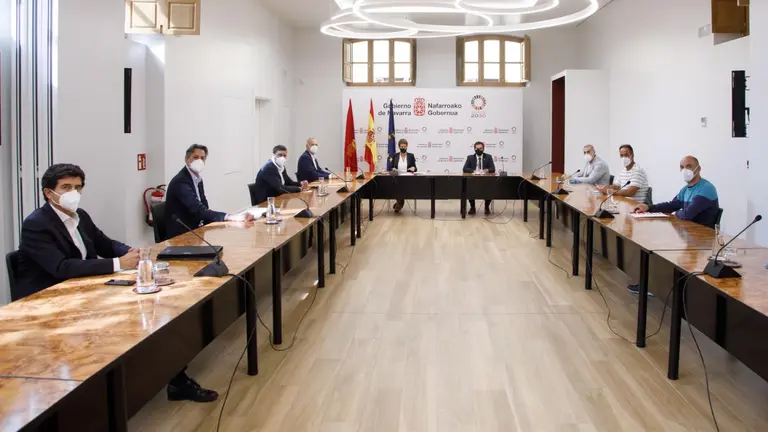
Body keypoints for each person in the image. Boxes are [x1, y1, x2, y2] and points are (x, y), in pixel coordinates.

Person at [15, 163, 139, 300]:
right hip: (46, 297)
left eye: (77, 188)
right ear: (48, 193)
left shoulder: (80, 215)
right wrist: (118, 263)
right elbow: (62, 267)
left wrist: (131, 252)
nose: (73, 193)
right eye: (66, 187)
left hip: (82, 288)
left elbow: (105, 244)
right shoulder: (36, 224)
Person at [165, 144, 254, 239]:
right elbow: (198, 209)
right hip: (181, 235)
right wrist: (231, 217)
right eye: (195, 157)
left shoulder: (197, 179)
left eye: (202, 158)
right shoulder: (180, 181)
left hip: (198, 229)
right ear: (187, 159)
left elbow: (204, 207)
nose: (199, 161)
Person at [633, 156, 719, 226]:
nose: (685, 170)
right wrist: (648, 208)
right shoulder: (685, 189)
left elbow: (687, 214)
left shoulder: (706, 189)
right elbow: (671, 205)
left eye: (689, 166)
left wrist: (675, 213)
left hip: (703, 236)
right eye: (682, 167)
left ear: (698, 168)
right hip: (689, 231)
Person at [462, 141, 496, 215]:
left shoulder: (488, 157)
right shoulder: (470, 157)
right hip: (473, 180)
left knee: (490, 188)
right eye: (477, 149)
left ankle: (487, 207)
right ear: (474, 149)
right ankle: (472, 207)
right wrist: (474, 170)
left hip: (485, 181)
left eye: (480, 148)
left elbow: (492, 169)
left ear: (483, 149)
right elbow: (465, 169)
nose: (479, 150)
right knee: (469, 188)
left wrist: (485, 170)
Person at [390, 138, 417, 213]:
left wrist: (413, 168)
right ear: (399, 147)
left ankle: (398, 204)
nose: (403, 148)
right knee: (396, 188)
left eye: (404, 146)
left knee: (402, 189)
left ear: (407, 146)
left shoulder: (411, 156)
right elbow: (391, 167)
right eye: (401, 146)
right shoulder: (395, 156)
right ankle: (400, 203)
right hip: (397, 178)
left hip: (407, 178)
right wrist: (393, 169)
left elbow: (415, 168)